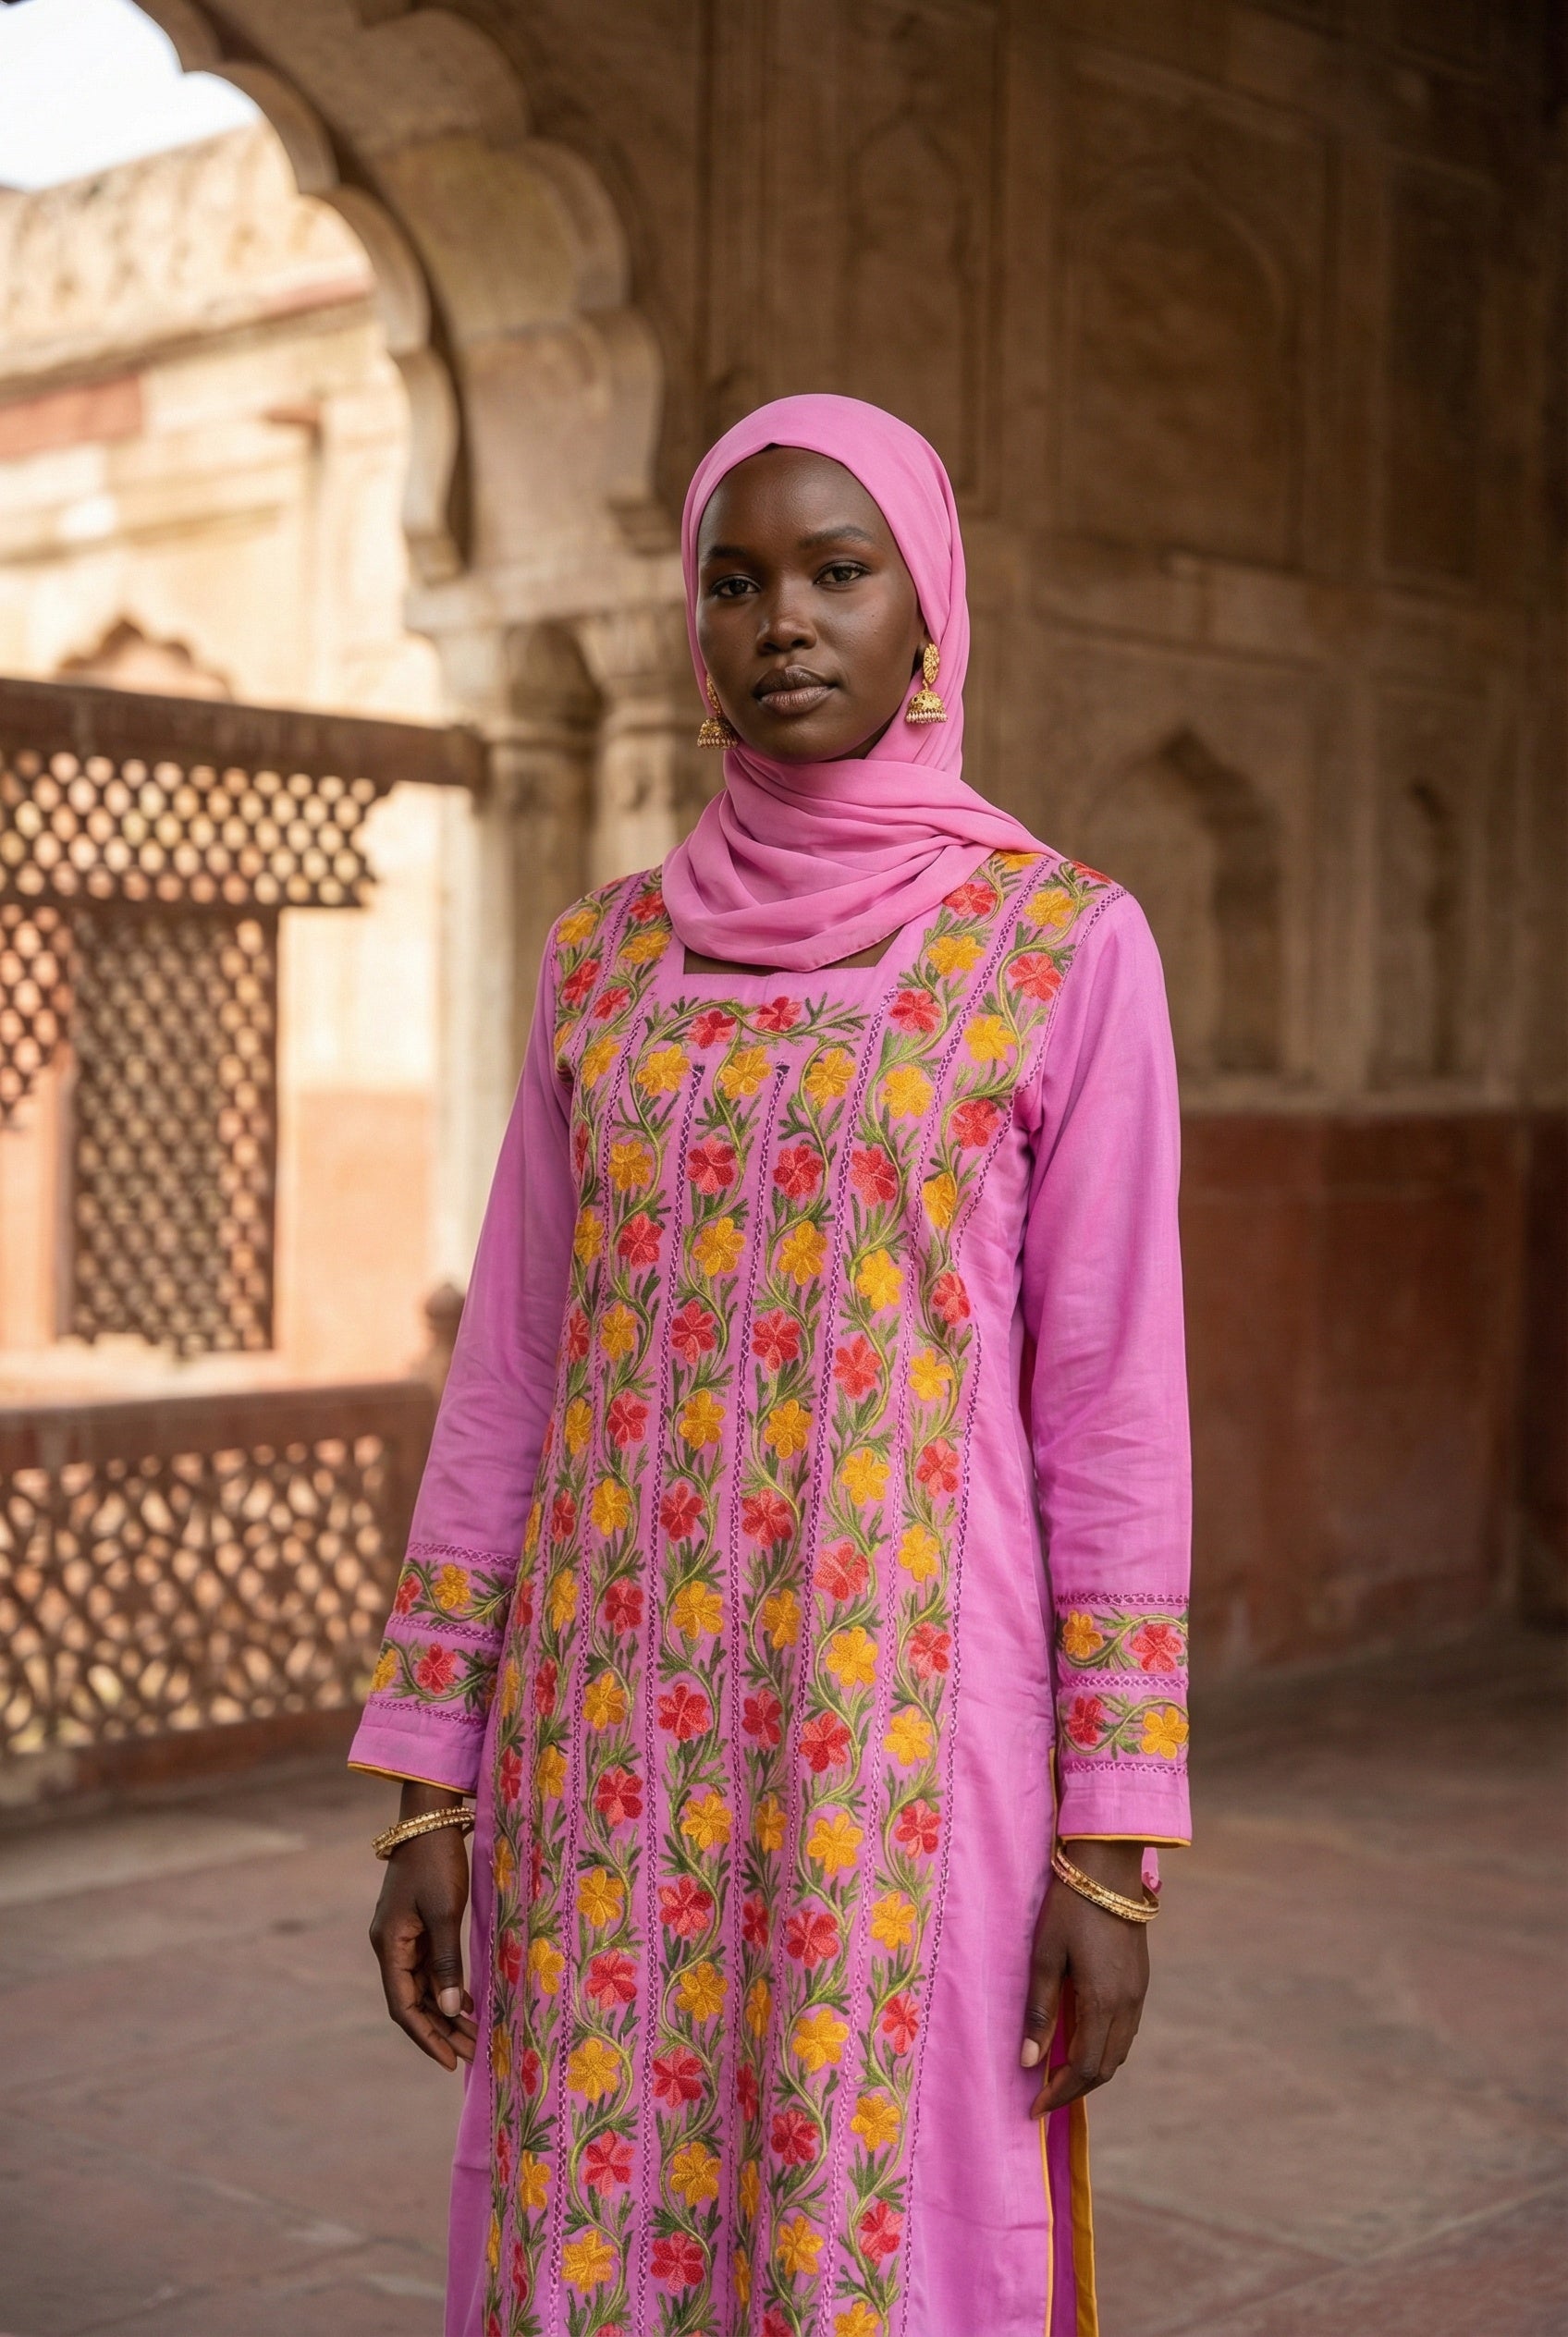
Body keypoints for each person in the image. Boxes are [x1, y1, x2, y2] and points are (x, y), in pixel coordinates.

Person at [351, 394, 1191, 2337]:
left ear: (927, 617)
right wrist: (425, 1783)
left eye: (835, 571)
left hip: (898, 1743)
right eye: (733, 584)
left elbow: (1111, 1408)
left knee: (859, 2211)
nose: (781, 622)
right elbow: (511, 1380)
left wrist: (1115, 1840)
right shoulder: (601, 963)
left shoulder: (1057, 948)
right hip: (604, 1743)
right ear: (691, 628)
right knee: (603, 2193)